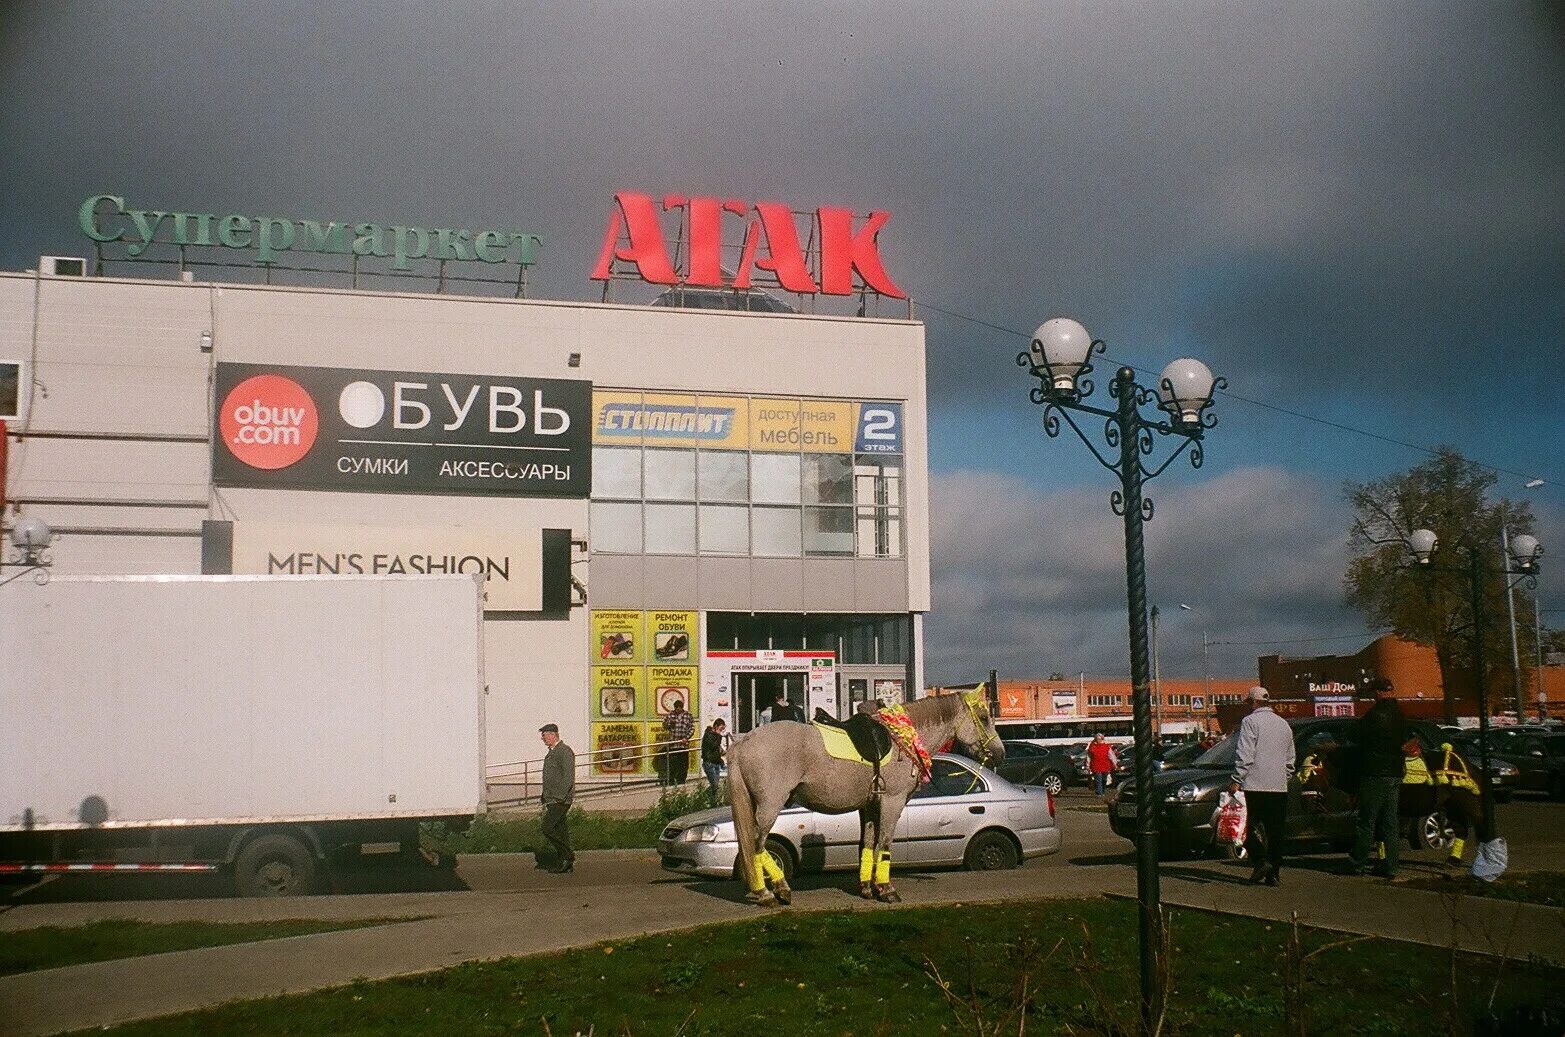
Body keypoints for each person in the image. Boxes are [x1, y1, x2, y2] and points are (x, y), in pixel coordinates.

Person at [1229, 686, 1295, 885]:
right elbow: (1290, 758)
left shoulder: (1250, 722)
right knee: (1275, 831)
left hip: (1255, 784)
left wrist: (1236, 779)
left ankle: (1260, 860)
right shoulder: (1283, 724)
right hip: (1279, 786)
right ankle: (1273, 873)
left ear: (1253, 702)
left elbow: (1245, 754)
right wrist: (1285, 777)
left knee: (1249, 828)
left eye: (1249, 702)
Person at [1346, 680, 1408, 878]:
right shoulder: (1400, 714)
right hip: (1395, 772)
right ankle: (1391, 866)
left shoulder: (1375, 715)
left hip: (1375, 772)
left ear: (1379, 692)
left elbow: (1355, 735)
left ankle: (1357, 863)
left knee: (1366, 820)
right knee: (1390, 821)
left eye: (1375, 692)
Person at [538, 723, 575, 873]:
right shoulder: (552, 752)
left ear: (553, 735)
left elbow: (568, 777)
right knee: (561, 831)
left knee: (547, 827)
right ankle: (564, 863)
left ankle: (568, 855)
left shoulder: (564, 752)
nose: (542, 738)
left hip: (560, 799)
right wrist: (544, 796)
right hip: (552, 798)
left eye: (545, 735)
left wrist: (559, 796)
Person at [661, 699, 695, 785]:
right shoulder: (670, 715)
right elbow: (664, 725)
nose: (677, 710)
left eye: (679, 708)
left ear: (682, 708)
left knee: (683, 764)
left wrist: (687, 738)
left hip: (683, 745)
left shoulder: (688, 715)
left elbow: (692, 728)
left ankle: (681, 781)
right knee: (673, 764)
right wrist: (669, 724)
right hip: (673, 744)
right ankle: (671, 781)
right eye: (676, 708)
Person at [701, 718, 727, 804]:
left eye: (722, 729)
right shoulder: (708, 734)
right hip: (709, 763)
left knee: (715, 785)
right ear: (715, 726)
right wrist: (719, 736)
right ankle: (705, 797)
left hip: (716, 762)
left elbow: (716, 749)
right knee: (715, 784)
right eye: (720, 729)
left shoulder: (715, 736)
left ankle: (713, 800)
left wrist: (721, 759)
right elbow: (712, 745)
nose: (721, 731)